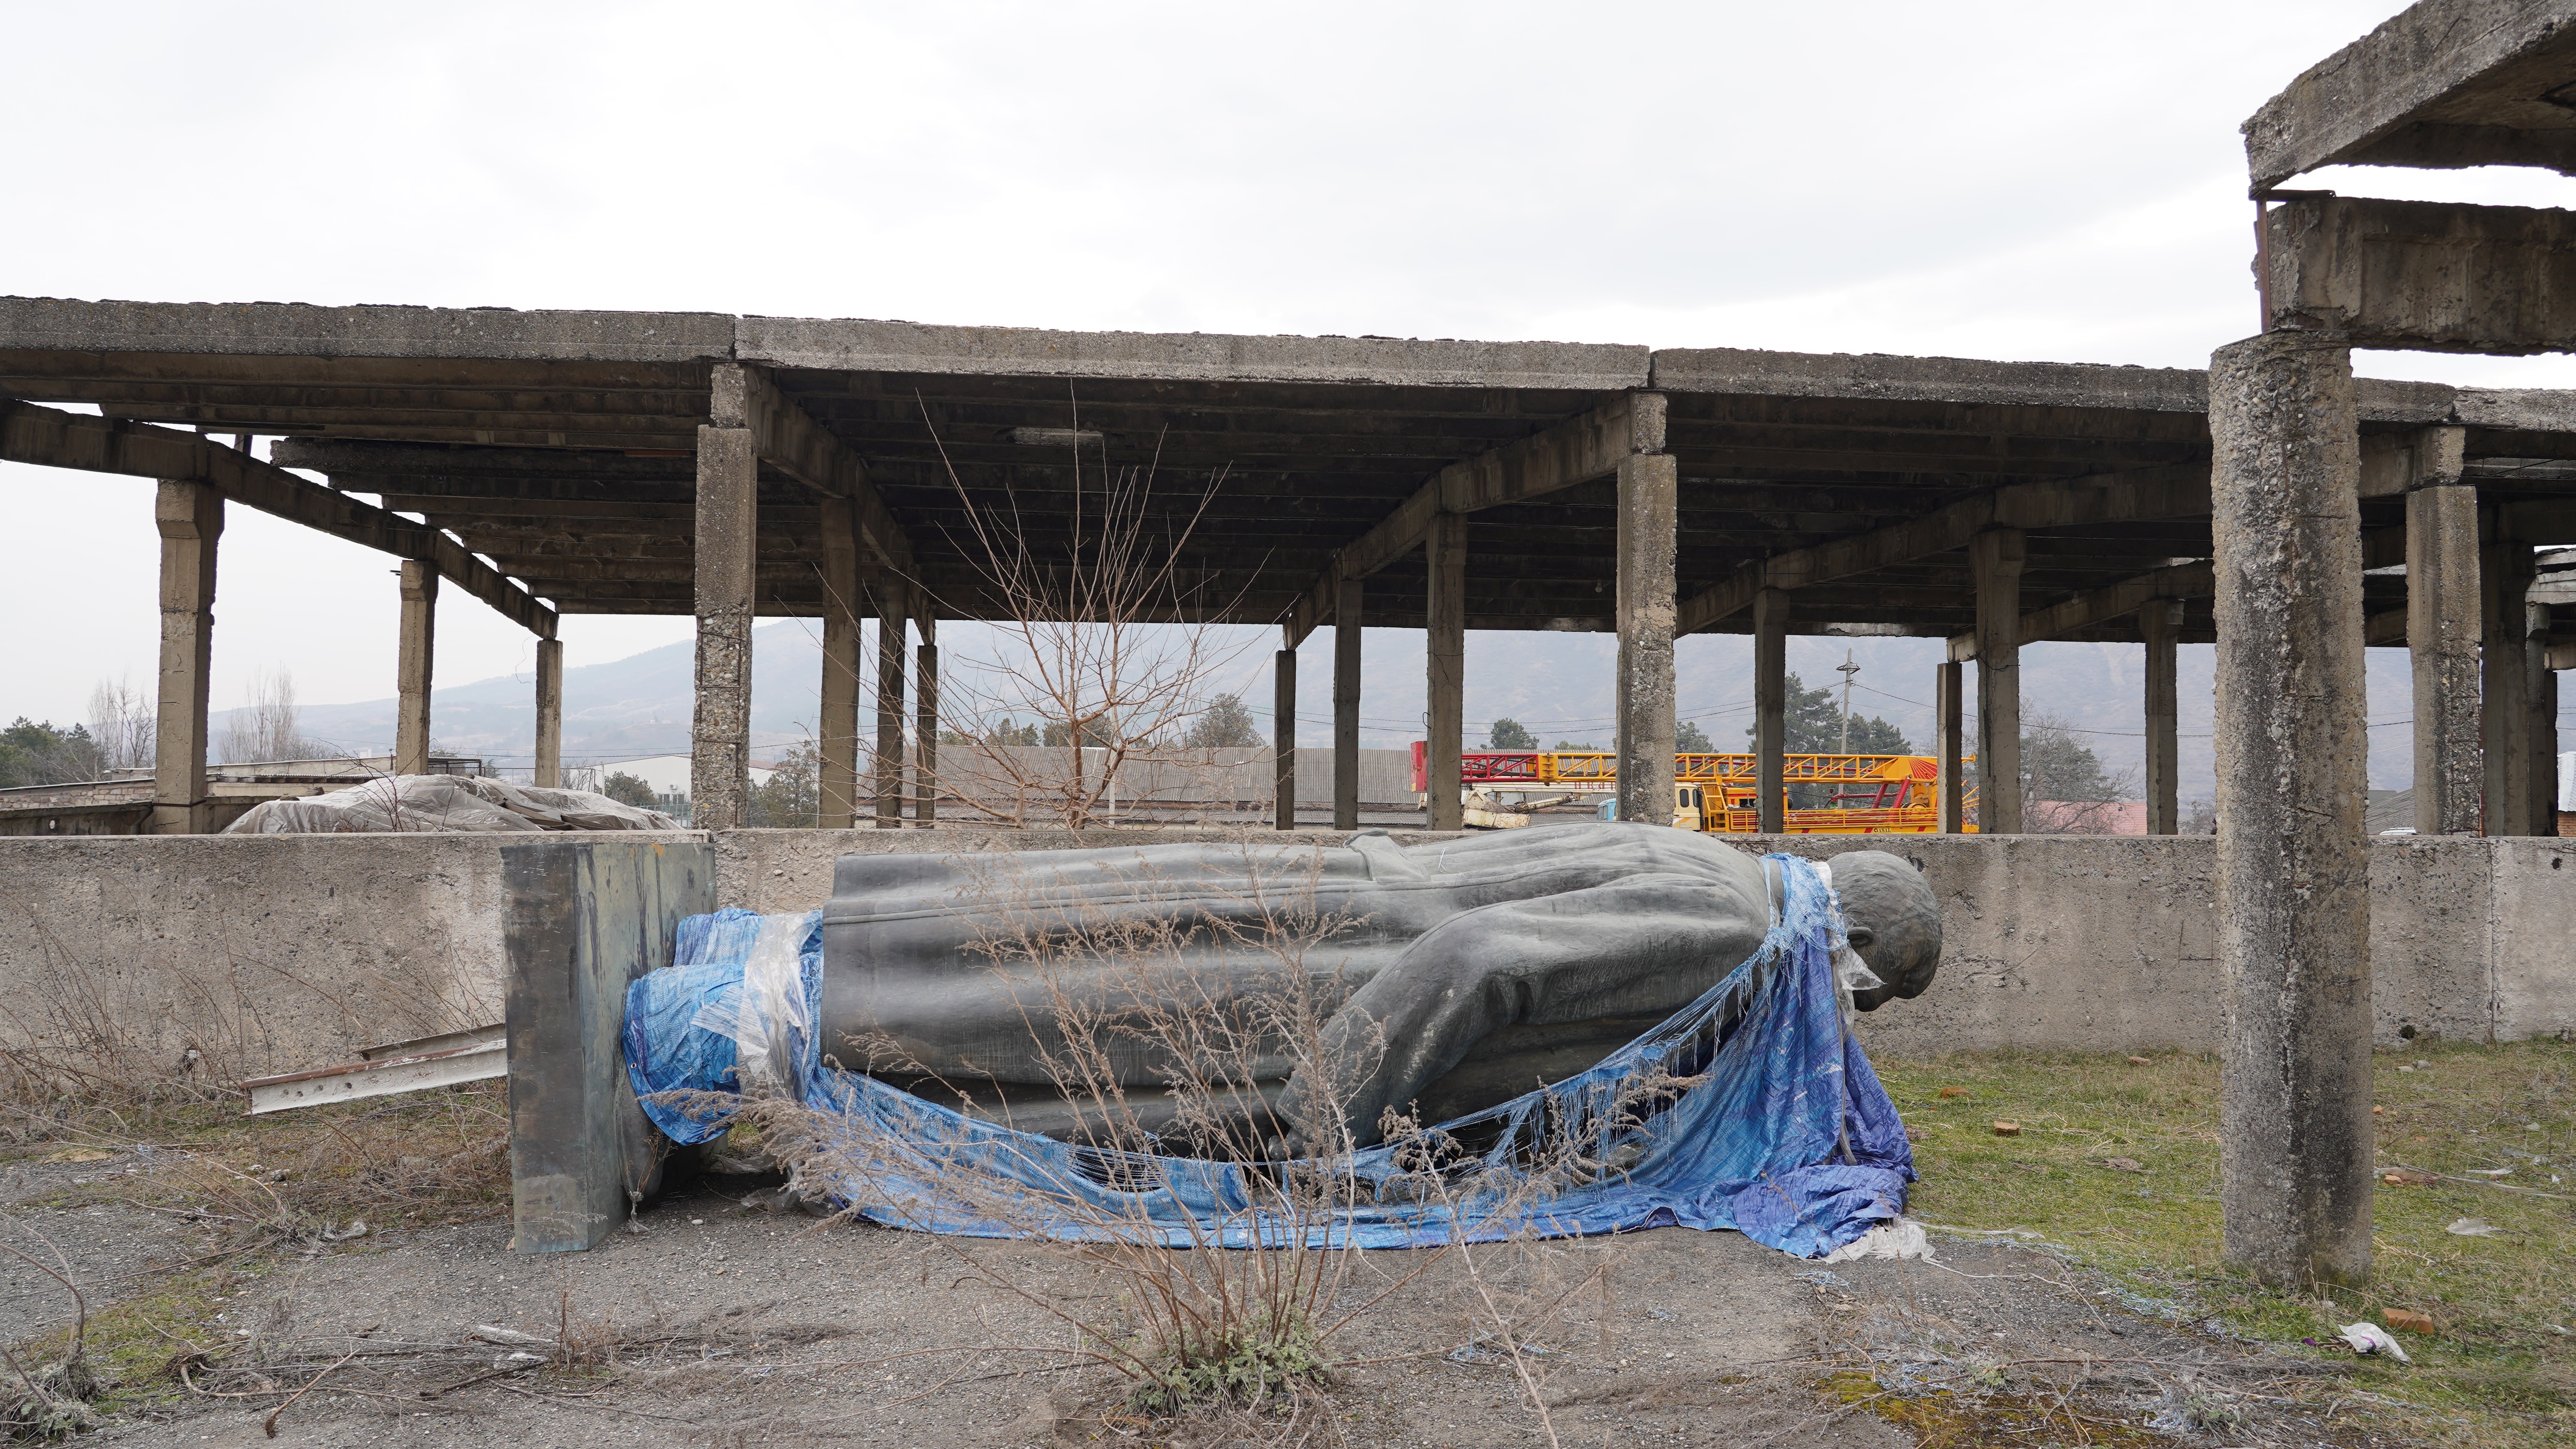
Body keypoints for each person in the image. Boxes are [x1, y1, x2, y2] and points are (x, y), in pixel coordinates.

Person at [818, 823, 1941, 1150]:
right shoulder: (1735, 927)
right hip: (1347, 980)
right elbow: (1484, 961)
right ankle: (822, 1031)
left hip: (1354, 899)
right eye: (1857, 993)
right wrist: (1321, 1122)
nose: (1840, 1018)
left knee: (1084, 936)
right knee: (1101, 1025)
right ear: (1844, 940)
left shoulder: (1725, 862)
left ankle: (828, 963)